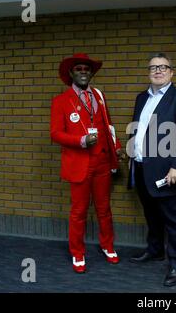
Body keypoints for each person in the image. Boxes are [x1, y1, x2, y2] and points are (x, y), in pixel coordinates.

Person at [128, 53, 176, 287]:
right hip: (142, 169)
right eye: (153, 68)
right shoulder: (141, 98)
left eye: (163, 67)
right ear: (148, 73)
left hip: (170, 174)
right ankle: (156, 250)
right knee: (153, 216)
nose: (157, 71)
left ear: (171, 72)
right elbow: (140, 130)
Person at [50, 53, 125, 273]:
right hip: (79, 163)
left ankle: (107, 245)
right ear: (71, 74)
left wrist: (117, 146)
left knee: (104, 208)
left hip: (102, 160)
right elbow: (55, 133)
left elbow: (108, 126)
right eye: (79, 69)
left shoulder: (99, 96)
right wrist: (80, 140)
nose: (83, 72)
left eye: (86, 69)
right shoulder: (61, 101)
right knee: (79, 211)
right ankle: (78, 253)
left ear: (91, 73)